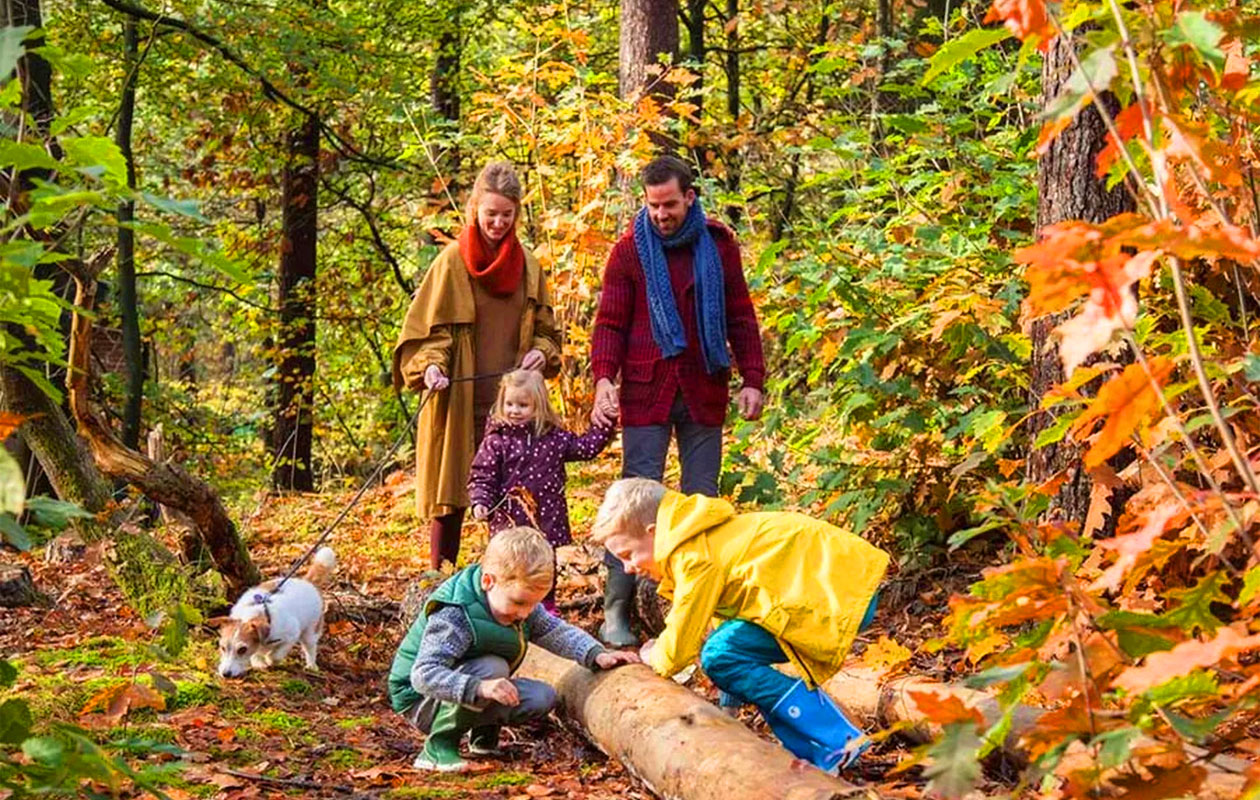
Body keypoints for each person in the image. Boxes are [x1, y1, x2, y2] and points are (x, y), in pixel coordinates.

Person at [589, 478, 888, 773]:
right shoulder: (702, 538)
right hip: (837, 588)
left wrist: (654, 655)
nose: (629, 568)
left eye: (629, 555)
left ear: (653, 532)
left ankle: (837, 738)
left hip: (835, 592)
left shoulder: (693, 556)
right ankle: (818, 753)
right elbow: (732, 614)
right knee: (727, 652)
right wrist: (729, 701)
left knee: (719, 654)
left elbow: (681, 640)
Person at [589, 154, 766, 646]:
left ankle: (695, 611)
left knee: (702, 502)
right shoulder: (628, 253)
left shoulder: (718, 247)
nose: (661, 215)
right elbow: (610, 322)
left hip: (704, 386)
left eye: (669, 204)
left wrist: (753, 377)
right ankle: (616, 612)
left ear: (690, 197)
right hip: (646, 390)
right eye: (652, 206)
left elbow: (740, 316)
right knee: (633, 500)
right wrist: (604, 378)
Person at [393, 162, 562, 571]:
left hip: (512, 406)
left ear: (517, 214)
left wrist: (541, 351)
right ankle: (439, 578)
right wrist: (431, 368)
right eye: (491, 214)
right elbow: (426, 334)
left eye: (507, 215)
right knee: (450, 494)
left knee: (514, 495)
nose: (498, 223)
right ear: (474, 209)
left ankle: (511, 581)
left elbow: (548, 332)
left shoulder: (529, 267)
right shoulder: (452, 262)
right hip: (458, 396)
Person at [388, 527, 640, 773]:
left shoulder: (518, 604)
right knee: (492, 669)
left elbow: (555, 630)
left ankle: (483, 738)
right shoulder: (456, 614)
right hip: (420, 701)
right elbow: (423, 675)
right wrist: (480, 688)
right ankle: (438, 746)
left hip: (465, 687)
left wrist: (596, 653)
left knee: (542, 697)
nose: (525, 613)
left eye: (533, 604)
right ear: (488, 581)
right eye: (519, 603)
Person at [467, 369, 615, 612]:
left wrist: (604, 425)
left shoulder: (553, 438)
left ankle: (546, 605)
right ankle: (504, 604)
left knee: (544, 562)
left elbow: (585, 448)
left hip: (547, 517)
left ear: (539, 406)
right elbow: (482, 475)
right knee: (511, 562)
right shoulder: (497, 441)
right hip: (510, 519)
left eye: (523, 405)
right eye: (509, 404)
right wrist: (480, 501)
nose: (514, 410)